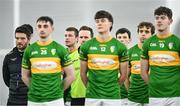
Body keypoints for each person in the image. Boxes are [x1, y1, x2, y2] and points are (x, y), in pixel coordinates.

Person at [21, 16, 75, 106]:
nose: (42, 29)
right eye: (39, 26)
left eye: (45, 26)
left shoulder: (60, 49)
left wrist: (58, 90)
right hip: (34, 100)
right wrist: (35, 89)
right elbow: (24, 76)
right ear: (36, 29)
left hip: (55, 99)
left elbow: (71, 76)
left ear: (52, 29)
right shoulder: (29, 50)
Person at [80, 10, 128, 106]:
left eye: (102, 20)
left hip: (112, 96)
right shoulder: (86, 46)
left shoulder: (120, 47)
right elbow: (82, 73)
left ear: (110, 23)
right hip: (92, 96)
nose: (99, 23)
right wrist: (90, 88)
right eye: (97, 21)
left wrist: (113, 87)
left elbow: (123, 75)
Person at [141, 6, 180, 106]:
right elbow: (143, 72)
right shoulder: (148, 43)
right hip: (154, 95)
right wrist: (153, 84)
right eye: (157, 18)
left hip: (175, 95)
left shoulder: (177, 42)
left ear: (170, 21)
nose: (159, 20)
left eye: (162, 18)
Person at [2, 24, 33, 105]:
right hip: (13, 100)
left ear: (29, 39)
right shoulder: (9, 57)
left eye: (22, 38)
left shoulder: (35, 56)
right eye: (17, 38)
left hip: (31, 100)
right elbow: (6, 79)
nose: (19, 41)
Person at [128, 22, 155, 106]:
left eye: (147, 32)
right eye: (141, 31)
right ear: (138, 33)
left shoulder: (156, 51)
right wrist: (130, 91)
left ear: (152, 34)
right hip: (133, 97)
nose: (143, 34)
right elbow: (126, 77)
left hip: (152, 97)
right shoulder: (130, 51)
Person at [64, 27, 86, 106]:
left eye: (70, 35)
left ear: (77, 38)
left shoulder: (82, 53)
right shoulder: (64, 55)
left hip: (86, 96)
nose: (67, 38)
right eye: (65, 35)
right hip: (71, 98)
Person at [115, 28, 131, 106]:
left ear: (129, 40)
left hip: (129, 97)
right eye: (119, 37)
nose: (122, 40)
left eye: (124, 37)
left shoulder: (133, 55)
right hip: (113, 97)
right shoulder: (110, 56)